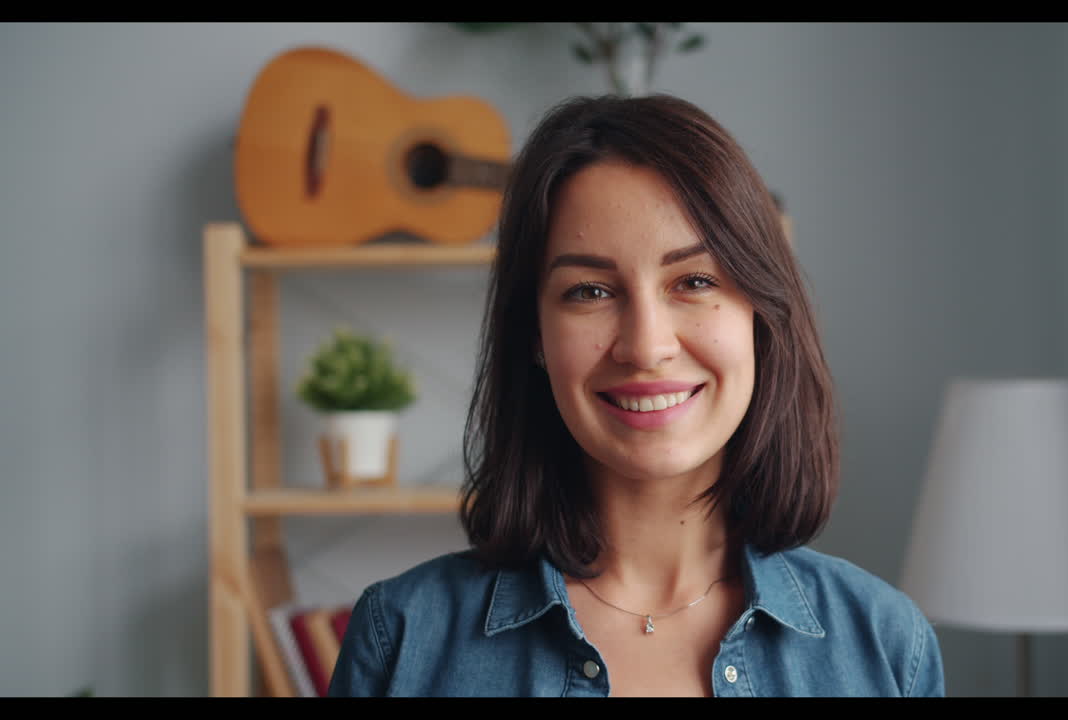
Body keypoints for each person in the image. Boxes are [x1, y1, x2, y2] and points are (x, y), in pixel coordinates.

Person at [327, 93, 945, 697]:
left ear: (760, 318)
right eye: (590, 291)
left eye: (695, 281)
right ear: (534, 336)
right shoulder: (401, 640)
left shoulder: (887, 647)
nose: (646, 347)